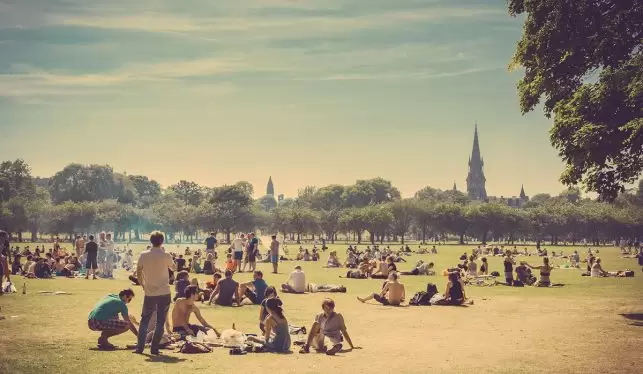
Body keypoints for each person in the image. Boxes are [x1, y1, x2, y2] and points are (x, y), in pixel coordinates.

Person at [134, 231, 175, 355]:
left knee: (144, 320)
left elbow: (138, 271)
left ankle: (139, 348)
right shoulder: (165, 255)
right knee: (160, 321)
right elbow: (174, 268)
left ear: (150, 241)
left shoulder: (143, 255)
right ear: (162, 241)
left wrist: (143, 285)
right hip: (164, 291)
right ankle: (154, 348)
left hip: (150, 292)